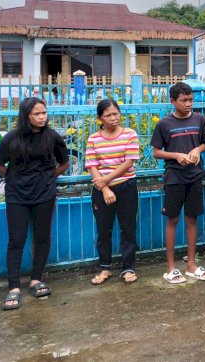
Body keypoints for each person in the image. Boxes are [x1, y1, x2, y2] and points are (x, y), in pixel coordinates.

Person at [0, 97, 70, 310]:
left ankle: (36, 279)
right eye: (37, 114)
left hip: (44, 195)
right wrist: (14, 178)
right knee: (16, 240)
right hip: (17, 196)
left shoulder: (52, 137)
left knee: (42, 237)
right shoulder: (12, 139)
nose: (42, 117)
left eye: (44, 113)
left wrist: (47, 178)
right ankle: (14, 288)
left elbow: (64, 163)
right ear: (26, 116)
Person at [150, 82, 205, 284]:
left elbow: (204, 143)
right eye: (184, 100)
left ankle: (191, 264)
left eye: (191, 100)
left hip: (195, 175)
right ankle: (171, 268)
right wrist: (176, 155)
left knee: (192, 219)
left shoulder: (199, 119)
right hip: (174, 177)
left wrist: (197, 151)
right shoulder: (164, 124)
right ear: (173, 101)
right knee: (173, 220)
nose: (188, 104)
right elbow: (156, 152)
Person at [85, 99, 140, 285]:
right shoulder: (93, 139)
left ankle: (128, 268)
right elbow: (92, 165)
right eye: (108, 115)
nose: (113, 118)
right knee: (103, 230)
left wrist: (106, 180)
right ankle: (105, 268)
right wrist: (105, 188)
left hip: (126, 186)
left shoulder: (130, 134)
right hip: (102, 190)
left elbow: (129, 162)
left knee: (128, 227)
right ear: (100, 118)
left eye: (115, 113)